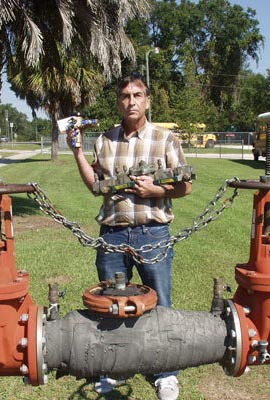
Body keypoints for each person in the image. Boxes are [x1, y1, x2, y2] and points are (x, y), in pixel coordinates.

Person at [67, 73, 192, 400]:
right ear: (119, 101)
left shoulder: (165, 139)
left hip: (153, 232)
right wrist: (78, 152)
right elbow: (96, 185)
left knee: (161, 305)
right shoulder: (105, 141)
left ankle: (166, 373)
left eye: (137, 95)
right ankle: (110, 370)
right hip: (112, 236)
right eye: (125, 95)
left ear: (147, 100)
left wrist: (156, 189)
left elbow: (186, 185)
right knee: (110, 306)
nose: (131, 101)